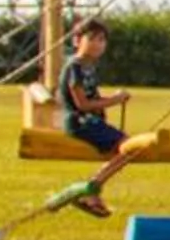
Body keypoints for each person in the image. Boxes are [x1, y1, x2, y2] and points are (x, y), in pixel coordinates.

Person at [53, 18, 131, 217]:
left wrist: (113, 99)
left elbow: (93, 99)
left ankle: (92, 192)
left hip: (90, 121)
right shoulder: (75, 67)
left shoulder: (88, 67)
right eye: (92, 39)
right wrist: (114, 100)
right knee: (128, 148)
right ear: (77, 40)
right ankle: (92, 188)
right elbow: (82, 105)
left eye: (102, 40)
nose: (98, 44)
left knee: (125, 149)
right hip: (80, 122)